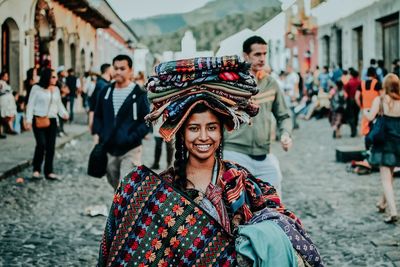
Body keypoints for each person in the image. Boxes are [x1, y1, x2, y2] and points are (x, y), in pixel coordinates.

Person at [98, 56, 323, 266]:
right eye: (194, 128)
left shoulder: (239, 181)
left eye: (212, 128)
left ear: (222, 132)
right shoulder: (162, 190)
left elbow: (277, 215)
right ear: (181, 134)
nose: (204, 137)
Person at [223, 36, 292, 196]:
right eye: (257, 54)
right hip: (234, 153)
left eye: (264, 54)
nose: (262, 58)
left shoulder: (271, 83)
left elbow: (284, 116)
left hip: (264, 155)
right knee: (238, 206)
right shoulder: (230, 84)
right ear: (246, 55)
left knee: (274, 200)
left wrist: (285, 134)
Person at [93, 55, 150, 190]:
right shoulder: (105, 92)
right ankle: (121, 208)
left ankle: (124, 209)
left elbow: (147, 121)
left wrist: (132, 137)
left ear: (130, 70)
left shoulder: (139, 94)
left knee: (126, 185)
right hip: (110, 149)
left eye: (122, 68)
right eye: (116, 68)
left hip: (131, 149)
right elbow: (98, 116)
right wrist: (100, 135)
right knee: (115, 185)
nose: (118, 72)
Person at [364, 73, 400, 223]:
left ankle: (393, 211)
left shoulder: (380, 100)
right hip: (398, 143)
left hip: (385, 144)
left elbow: (370, 117)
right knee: (389, 176)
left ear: (385, 86)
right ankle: (382, 203)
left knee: (385, 179)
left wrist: (364, 112)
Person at [26, 68, 69, 180]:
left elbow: (59, 105)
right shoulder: (36, 88)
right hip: (39, 119)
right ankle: (36, 169)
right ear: (47, 77)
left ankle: (48, 171)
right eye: (53, 77)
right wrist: (28, 120)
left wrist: (64, 113)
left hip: (52, 120)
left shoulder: (56, 89)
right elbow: (30, 105)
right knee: (41, 144)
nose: (56, 79)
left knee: (51, 147)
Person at [355, 67, 382, 138]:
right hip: (376, 109)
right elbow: (382, 96)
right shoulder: (377, 83)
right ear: (375, 74)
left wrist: (361, 106)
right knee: (376, 126)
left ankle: (367, 142)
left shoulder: (362, 83)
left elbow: (356, 97)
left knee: (365, 127)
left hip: (365, 108)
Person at [88, 63, 112, 135]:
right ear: (107, 71)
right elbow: (97, 104)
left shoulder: (105, 83)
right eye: (113, 69)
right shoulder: (102, 84)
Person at [344, 68, 361, 137]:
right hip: (358, 100)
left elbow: (345, 91)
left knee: (351, 116)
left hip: (350, 100)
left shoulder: (349, 82)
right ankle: (355, 127)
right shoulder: (360, 82)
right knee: (356, 115)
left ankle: (353, 130)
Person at [0, 71, 18, 135]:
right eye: (5, 76)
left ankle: (10, 128)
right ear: (2, 76)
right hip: (4, 101)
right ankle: (7, 129)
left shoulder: (5, 83)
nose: (7, 77)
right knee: (4, 115)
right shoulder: (1, 83)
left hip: (9, 101)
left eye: (7, 76)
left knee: (10, 115)